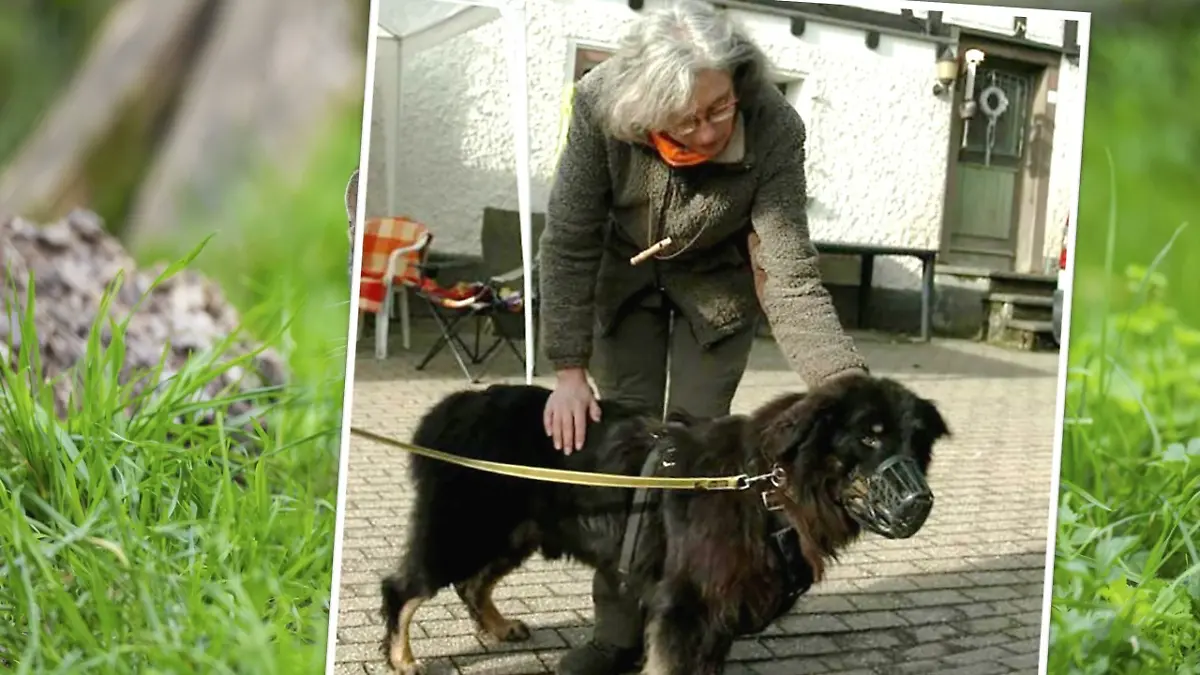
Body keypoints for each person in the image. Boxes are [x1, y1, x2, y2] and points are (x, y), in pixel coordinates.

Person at [536, 2, 869, 673]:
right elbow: (569, 241)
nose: (708, 129)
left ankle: (691, 617)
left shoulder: (775, 127)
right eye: (686, 118)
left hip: (714, 297)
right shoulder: (599, 106)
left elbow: (791, 276)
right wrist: (567, 368)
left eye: (719, 108)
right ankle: (617, 631)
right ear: (643, 109)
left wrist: (849, 392)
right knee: (625, 454)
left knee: (694, 463)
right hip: (623, 286)